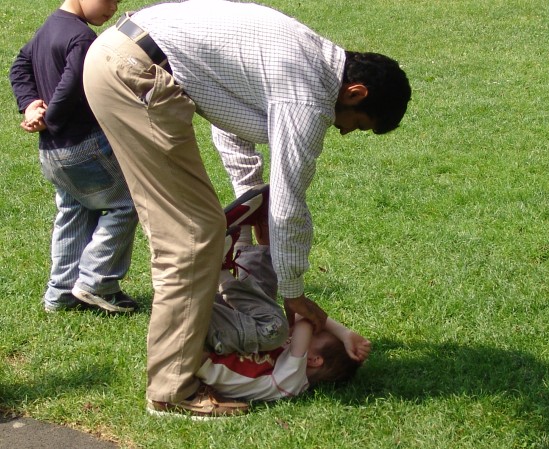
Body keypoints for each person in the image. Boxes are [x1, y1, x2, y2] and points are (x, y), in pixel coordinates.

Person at [82, 0, 410, 417]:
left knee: (198, 231)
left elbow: (227, 118)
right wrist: (293, 292)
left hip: (121, 56)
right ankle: (171, 392)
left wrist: (251, 198)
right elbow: (289, 204)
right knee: (191, 238)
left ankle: (187, 353)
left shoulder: (311, 60)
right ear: (355, 93)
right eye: (357, 124)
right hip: (134, 73)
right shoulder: (309, 96)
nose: (344, 132)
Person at [9, 0, 139, 313]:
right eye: (108, 0)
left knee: (74, 211)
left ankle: (60, 294)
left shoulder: (49, 27)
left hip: (52, 151)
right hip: (84, 148)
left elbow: (19, 66)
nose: (113, 7)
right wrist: (48, 116)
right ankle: (97, 282)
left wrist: (30, 105)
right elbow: (70, 88)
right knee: (128, 203)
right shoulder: (82, 38)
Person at [147, 243, 371, 419]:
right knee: (267, 310)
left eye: (317, 334)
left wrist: (343, 333)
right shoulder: (288, 364)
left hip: (196, 354)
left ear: (314, 360)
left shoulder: (293, 382)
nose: (312, 330)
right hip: (208, 344)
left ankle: (220, 271)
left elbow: (304, 317)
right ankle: (241, 245)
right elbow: (302, 317)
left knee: (275, 328)